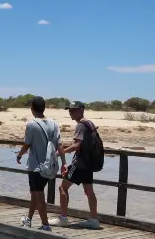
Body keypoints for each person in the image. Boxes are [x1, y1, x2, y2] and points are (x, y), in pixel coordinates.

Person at [48, 102, 100, 228]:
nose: (71, 113)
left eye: (73, 110)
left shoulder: (81, 126)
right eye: (70, 110)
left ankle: (63, 218)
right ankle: (94, 220)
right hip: (88, 163)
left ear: (81, 110)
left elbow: (77, 145)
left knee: (62, 188)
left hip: (80, 164)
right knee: (89, 191)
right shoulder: (90, 123)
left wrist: (60, 152)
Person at [16, 96, 64, 230]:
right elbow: (60, 145)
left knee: (39, 195)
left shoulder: (32, 125)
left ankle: (45, 225)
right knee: (36, 193)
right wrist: (64, 163)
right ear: (44, 107)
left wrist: (19, 155)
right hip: (50, 166)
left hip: (36, 167)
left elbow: (27, 144)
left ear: (32, 107)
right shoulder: (54, 124)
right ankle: (29, 219)